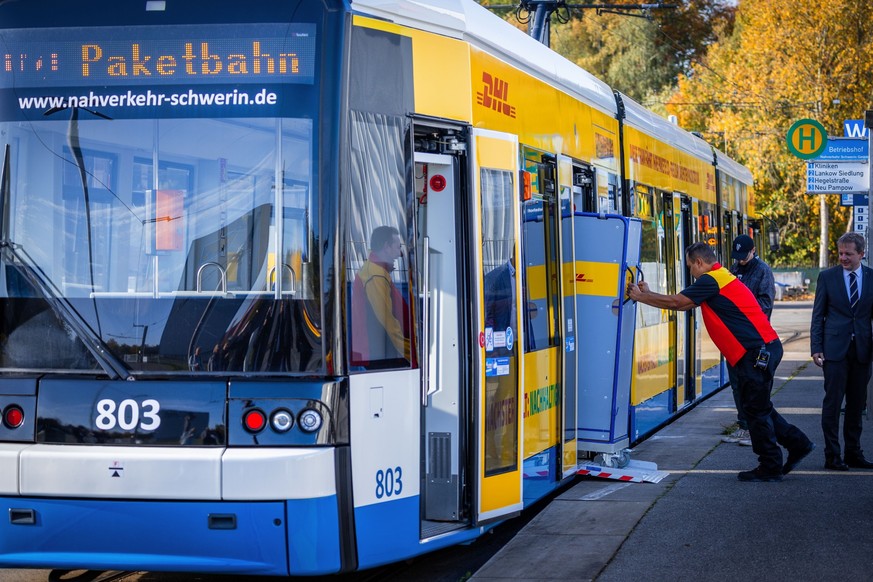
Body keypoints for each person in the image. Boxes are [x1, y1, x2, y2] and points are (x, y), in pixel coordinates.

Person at [628, 241, 814, 482]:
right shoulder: (721, 276)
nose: (691, 273)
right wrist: (648, 294)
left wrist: (641, 297)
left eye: (690, 267)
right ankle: (798, 444)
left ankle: (770, 464)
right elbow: (683, 302)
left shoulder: (712, 279)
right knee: (758, 407)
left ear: (699, 262)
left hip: (754, 353)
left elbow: (678, 303)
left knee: (755, 410)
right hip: (763, 350)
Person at [810, 231, 873, 470]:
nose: (843, 257)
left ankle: (853, 453)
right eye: (840, 253)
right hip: (834, 351)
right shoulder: (827, 277)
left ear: (861, 254)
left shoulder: (871, 277)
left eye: (848, 253)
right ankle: (832, 455)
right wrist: (816, 347)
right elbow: (818, 315)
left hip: (862, 352)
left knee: (857, 405)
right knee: (833, 404)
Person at [722, 234, 776, 447]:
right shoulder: (732, 271)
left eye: (744, 256)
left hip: (753, 338)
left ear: (753, 251)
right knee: (737, 384)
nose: (741, 260)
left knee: (753, 385)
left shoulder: (763, 271)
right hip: (734, 338)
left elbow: (766, 303)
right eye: (737, 257)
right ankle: (744, 425)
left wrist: (742, 311)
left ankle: (755, 429)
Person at [351, 226, 412, 368]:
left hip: (381, 354)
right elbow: (388, 323)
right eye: (397, 247)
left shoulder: (374, 271)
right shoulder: (376, 275)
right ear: (386, 247)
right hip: (385, 357)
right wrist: (411, 352)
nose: (400, 254)